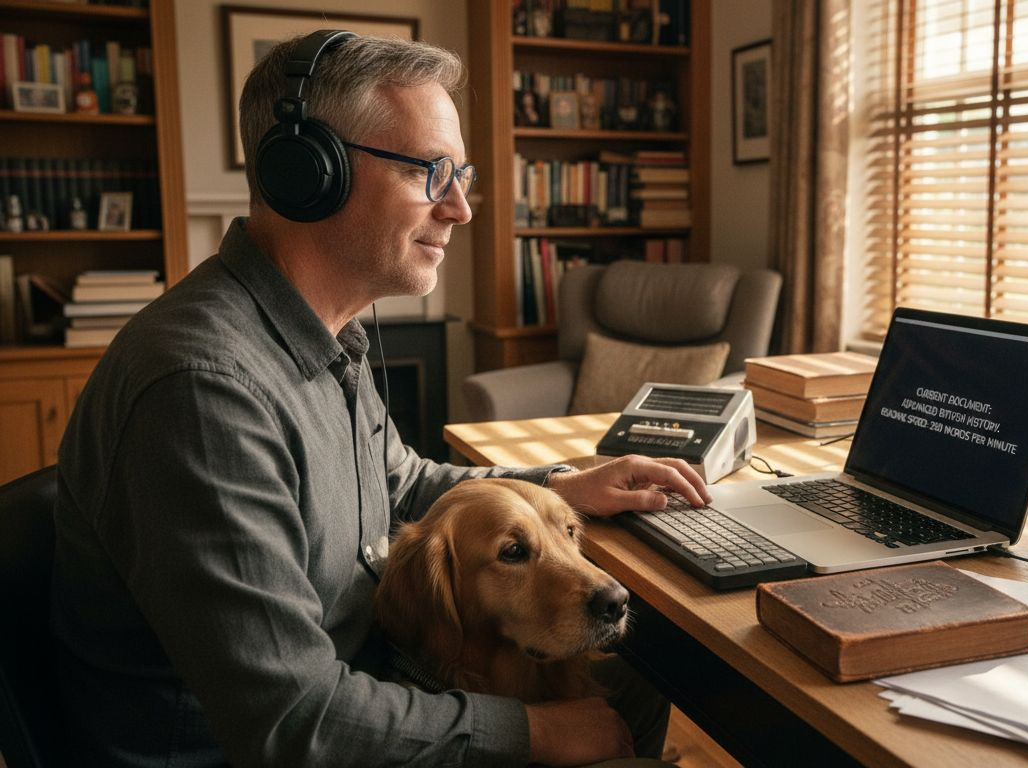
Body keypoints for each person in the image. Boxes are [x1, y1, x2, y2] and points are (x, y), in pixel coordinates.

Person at [51, 32, 710, 768]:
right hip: (239, 751)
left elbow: (399, 482)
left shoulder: (316, 336)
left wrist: (562, 486)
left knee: (639, 682)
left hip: (346, 685)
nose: (460, 207)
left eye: (460, 174)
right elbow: (292, 722)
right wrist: (539, 734)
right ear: (309, 173)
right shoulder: (205, 391)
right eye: (431, 171)